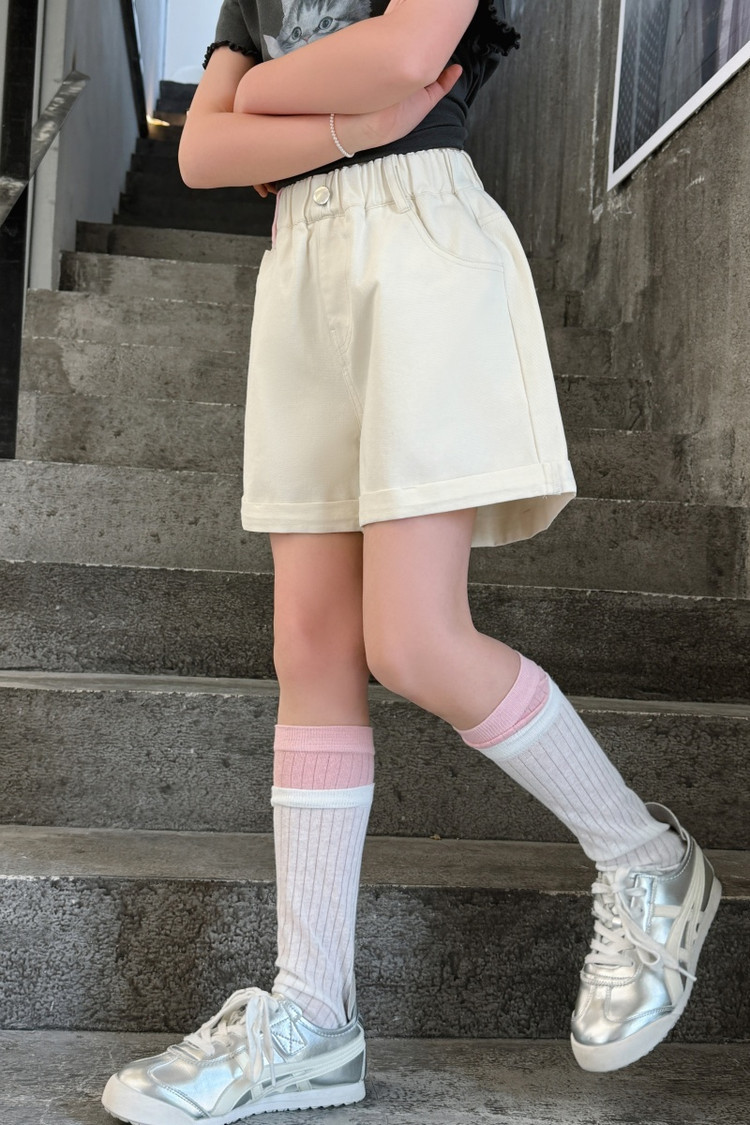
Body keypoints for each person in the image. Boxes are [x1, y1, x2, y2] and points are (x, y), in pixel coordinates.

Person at [101, 2, 721, 1121]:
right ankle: (311, 1015)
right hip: (302, 269)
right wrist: (350, 120)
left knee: (414, 640)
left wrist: (270, 96)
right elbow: (202, 151)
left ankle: (644, 859)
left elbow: (405, 52)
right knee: (310, 648)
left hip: (420, 240)